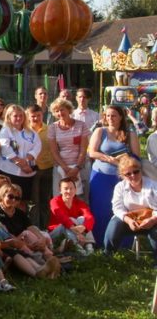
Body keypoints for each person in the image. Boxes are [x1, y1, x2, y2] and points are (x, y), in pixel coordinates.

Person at [88, 105, 139, 242]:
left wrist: (124, 161)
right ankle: (100, 241)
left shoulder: (130, 134)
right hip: (100, 177)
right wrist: (109, 159)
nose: (110, 118)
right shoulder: (100, 131)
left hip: (122, 178)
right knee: (100, 209)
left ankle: (122, 242)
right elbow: (92, 152)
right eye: (108, 115)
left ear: (121, 117)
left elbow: (136, 157)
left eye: (114, 115)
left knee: (122, 209)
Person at [0, 183, 60, 279]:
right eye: (10, 196)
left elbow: (31, 227)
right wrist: (24, 244)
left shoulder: (20, 213)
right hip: (10, 242)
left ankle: (47, 262)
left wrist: (41, 239)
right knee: (25, 241)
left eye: (17, 198)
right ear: (2, 195)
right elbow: (5, 234)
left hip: (24, 242)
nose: (13, 200)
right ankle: (45, 265)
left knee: (35, 235)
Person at [106, 155, 157, 263]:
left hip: (152, 219)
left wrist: (152, 220)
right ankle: (108, 257)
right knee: (114, 225)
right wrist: (128, 220)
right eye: (128, 174)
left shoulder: (153, 185)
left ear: (141, 171)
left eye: (136, 171)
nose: (133, 175)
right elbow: (117, 208)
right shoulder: (120, 187)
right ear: (122, 176)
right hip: (129, 220)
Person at [0, 104, 39, 205]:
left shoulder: (31, 132)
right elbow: (5, 148)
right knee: (7, 200)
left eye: (21, 115)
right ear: (9, 117)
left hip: (27, 174)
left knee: (22, 201)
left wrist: (27, 160)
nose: (19, 118)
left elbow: (37, 146)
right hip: (9, 172)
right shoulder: (5, 130)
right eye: (15, 116)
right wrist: (21, 164)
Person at [48, 176, 96, 255]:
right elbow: (62, 217)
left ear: (75, 190)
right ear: (60, 190)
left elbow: (90, 217)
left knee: (82, 219)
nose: (69, 191)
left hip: (72, 232)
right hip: (55, 232)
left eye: (71, 188)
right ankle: (78, 248)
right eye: (66, 188)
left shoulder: (79, 203)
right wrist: (77, 232)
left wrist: (83, 228)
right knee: (71, 219)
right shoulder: (54, 201)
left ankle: (89, 247)